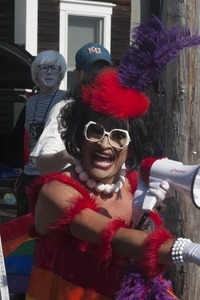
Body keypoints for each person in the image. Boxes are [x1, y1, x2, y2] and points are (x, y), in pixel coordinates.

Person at [2, 15, 200, 300]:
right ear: (78, 137)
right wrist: (187, 249)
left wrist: (147, 214)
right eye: (95, 132)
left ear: (129, 146)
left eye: (118, 135)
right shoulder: (56, 191)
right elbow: (115, 237)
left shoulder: (133, 184)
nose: (106, 144)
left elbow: (141, 264)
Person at [30, 42, 112, 174]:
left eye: (103, 69)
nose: (98, 75)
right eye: (91, 71)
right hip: (75, 189)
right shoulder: (65, 109)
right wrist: (65, 156)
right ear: (77, 74)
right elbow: (43, 165)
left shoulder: (120, 109)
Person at [15, 50, 68, 217]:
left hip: (54, 174)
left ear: (61, 74)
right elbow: (27, 136)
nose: (50, 72)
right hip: (30, 175)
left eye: (55, 68)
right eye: (44, 68)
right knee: (23, 227)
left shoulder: (67, 100)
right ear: (36, 73)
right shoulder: (30, 102)